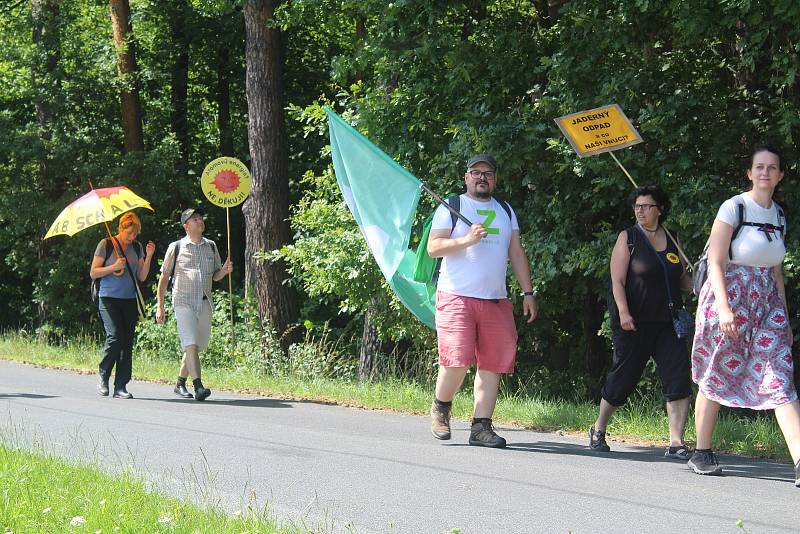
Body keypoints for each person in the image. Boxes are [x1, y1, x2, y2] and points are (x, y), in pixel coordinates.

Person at [690, 145, 800, 485]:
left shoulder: (779, 215)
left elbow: (776, 269)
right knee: (718, 369)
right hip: (729, 297)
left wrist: (783, 315)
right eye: (759, 167)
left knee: (780, 378)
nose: (765, 172)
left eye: (772, 168)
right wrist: (723, 307)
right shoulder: (734, 207)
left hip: (767, 303)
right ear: (749, 173)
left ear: (781, 175)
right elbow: (716, 262)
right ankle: (702, 450)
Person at [427, 154, 537, 448]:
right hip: (456, 296)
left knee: (492, 364)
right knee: (457, 362)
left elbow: (516, 252)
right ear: (466, 177)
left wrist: (528, 292)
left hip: (495, 300)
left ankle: (481, 427)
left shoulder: (504, 209)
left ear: (495, 179)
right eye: (476, 173)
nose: (482, 178)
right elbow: (433, 248)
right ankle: (441, 408)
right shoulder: (452, 206)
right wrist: (466, 240)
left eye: (488, 173)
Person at [588, 185, 693, 458]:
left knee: (678, 376)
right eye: (637, 206)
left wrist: (699, 283)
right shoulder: (629, 238)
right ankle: (599, 428)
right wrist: (623, 313)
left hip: (669, 322)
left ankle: (676, 442)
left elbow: (681, 279)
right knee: (624, 377)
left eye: (646, 206)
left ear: (660, 209)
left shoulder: (672, 237)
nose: (640, 210)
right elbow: (617, 282)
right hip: (634, 322)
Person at [155, 208, 233, 401]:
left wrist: (223, 271)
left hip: (205, 301)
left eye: (200, 217)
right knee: (190, 342)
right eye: (195, 219)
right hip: (182, 301)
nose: (200, 221)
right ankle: (198, 386)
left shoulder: (211, 246)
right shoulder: (176, 247)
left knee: (196, 345)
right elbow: (164, 277)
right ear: (186, 226)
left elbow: (215, 276)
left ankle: (180, 382)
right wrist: (160, 305)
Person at [91, 212, 155, 399]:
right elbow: (93, 273)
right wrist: (113, 267)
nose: (132, 237)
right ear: (120, 228)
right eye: (129, 233)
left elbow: (142, 276)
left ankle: (121, 386)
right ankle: (103, 373)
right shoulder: (106, 244)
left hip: (129, 299)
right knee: (115, 336)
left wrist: (149, 256)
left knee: (127, 342)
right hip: (108, 298)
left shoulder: (137, 247)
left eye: (135, 233)